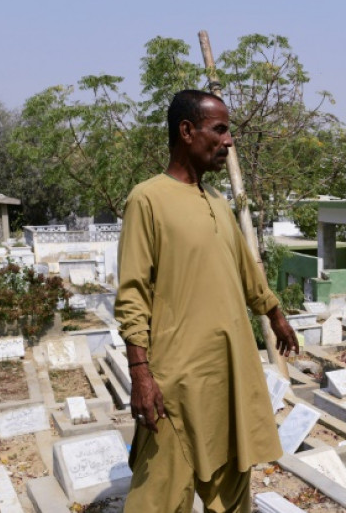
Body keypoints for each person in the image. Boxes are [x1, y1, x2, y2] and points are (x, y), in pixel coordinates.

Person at [115, 89, 299, 512]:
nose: (229, 141)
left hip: (229, 374)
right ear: (187, 131)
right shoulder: (148, 199)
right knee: (158, 498)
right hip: (176, 382)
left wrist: (274, 313)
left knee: (233, 495)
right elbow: (132, 293)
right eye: (220, 129)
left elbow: (244, 267)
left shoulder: (216, 200)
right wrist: (140, 373)